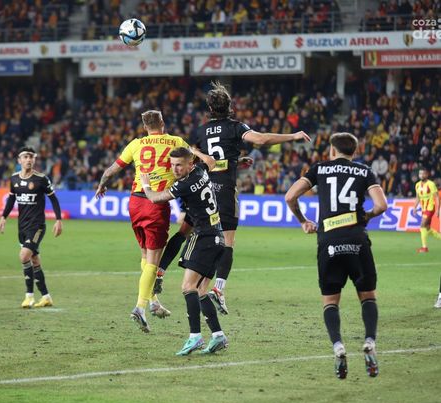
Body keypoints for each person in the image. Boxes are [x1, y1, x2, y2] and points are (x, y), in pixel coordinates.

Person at [157, 81, 310, 315]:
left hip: (202, 189)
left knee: (184, 230)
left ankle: (160, 272)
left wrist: (231, 160)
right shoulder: (236, 127)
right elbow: (260, 139)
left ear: (210, 108)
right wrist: (293, 135)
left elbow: (193, 153)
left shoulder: (201, 130)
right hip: (224, 190)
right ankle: (218, 289)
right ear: (230, 106)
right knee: (227, 242)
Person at [285, 132, 388, 379]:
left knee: (330, 301)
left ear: (332, 150)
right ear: (355, 151)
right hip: (357, 240)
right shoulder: (364, 171)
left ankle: (338, 346)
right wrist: (366, 216)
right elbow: (381, 205)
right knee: (367, 296)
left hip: (328, 242)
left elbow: (290, 196)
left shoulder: (319, 169)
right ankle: (369, 341)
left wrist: (303, 221)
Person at [95, 110, 189, 333]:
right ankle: (140, 307)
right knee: (153, 262)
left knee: (146, 256)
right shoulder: (176, 142)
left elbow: (111, 170)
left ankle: (154, 302)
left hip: (135, 203)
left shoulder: (136, 144)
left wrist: (102, 184)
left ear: (145, 126)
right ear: (162, 122)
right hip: (156, 202)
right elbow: (192, 157)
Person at [141, 146, 229, 355]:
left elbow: (155, 198)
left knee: (188, 287)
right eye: (172, 165)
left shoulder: (185, 184)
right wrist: (195, 152)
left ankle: (195, 337)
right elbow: (211, 161)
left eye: (179, 165)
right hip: (218, 238)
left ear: (190, 164)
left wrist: (145, 184)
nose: (175, 169)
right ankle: (218, 335)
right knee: (200, 291)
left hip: (203, 237)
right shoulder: (201, 171)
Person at [0, 147, 63, 308]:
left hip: (37, 226)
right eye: (26, 157)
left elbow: (53, 199)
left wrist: (58, 220)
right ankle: (46, 297)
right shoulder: (14, 179)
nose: (29, 160)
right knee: (34, 260)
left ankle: (29, 296)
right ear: (19, 160)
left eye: (31, 157)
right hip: (22, 226)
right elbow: (11, 199)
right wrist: (3, 217)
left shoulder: (41, 179)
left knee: (24, 256)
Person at [412, 168, 441, 253]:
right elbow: (418, 197)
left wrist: (437, 210)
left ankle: (424, 248)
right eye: (420, 174)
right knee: (427, 228)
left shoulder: (431, 184)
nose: (421, 175)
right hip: (423, 209)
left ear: (427, 174)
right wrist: (414, 207)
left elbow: (437, 197)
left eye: (423, 174)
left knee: (422, 225)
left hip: (430, 208)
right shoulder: (417, 185)